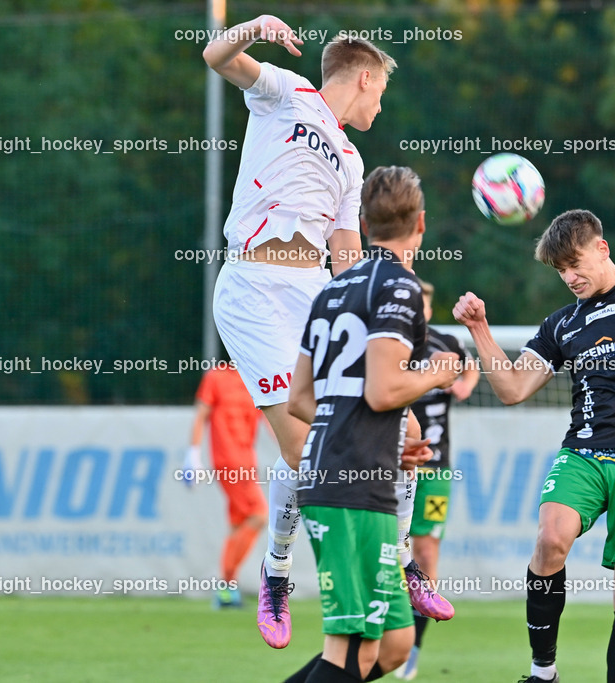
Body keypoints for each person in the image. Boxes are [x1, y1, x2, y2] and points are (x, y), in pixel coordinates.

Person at [203, 15, 450, 648]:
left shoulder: (351, 157)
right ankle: (277, 572)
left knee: (410, 432)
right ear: (364, 78)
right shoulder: (286, 92)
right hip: (254, 291)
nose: (379, 105)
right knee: (301, 449)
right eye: (380, 93)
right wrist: (253, 27)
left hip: (315, 292)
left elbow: (345, 254)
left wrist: (375, 308)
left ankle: (401, 561)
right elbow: (215, 55)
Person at [452, 209, 615, 683]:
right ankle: (543, 671)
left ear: (602, 248)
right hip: (584, 452)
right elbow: (513, 389)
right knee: (550, 538)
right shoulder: (562, 325)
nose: (569, 277)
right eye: (560, 271)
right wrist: (480, 329)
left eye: (574, 264)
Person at [285, 165, 461, 682]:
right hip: (349, 485)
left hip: (352, 474)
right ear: (421, 224)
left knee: (393, 643)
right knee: (348, 646)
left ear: (362, 224)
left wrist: (370, 432)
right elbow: (383, 390)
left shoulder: (334, 290)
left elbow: (299, 399)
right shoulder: (402, 288)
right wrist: (438, 371)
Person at [395, 280, 480, 681]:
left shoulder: (446, 342)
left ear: (427, 308)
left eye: (423, 303)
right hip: (388, 463)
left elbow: (472, 366)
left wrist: (464, 384)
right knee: (385, 549)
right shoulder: (389, 340)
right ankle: (379, 631)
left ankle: (412, 646)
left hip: (435, 467)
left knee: (426, 554)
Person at [183, 365, 272, 608]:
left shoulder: (257, 375)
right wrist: (193, 453)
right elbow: (201, 413)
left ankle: (226, 590)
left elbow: (272, 421)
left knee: (237, 523)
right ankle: (225, 584)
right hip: (230, 461)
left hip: (245, 460)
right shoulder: (217, 376)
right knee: (259, 515)